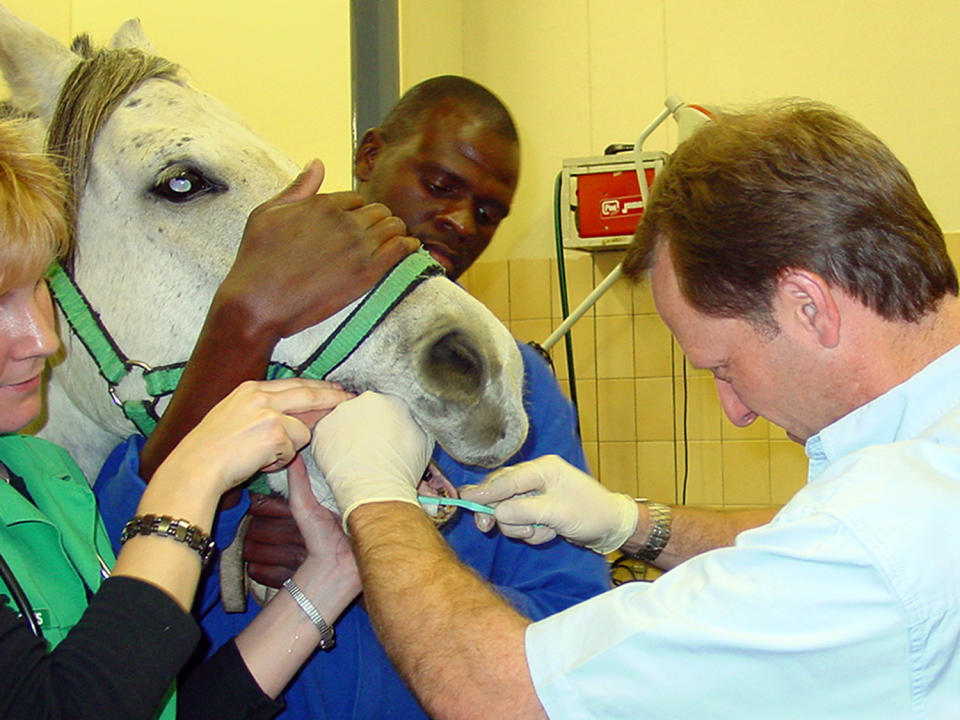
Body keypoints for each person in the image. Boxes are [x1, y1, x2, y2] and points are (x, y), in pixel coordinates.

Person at [311, 99, 960, 718]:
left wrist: (373, 491)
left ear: (808, 306)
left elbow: (501, 696)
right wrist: (632, 525)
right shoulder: (920, 476)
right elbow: (821, 545)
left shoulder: (881, 532)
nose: (734, 411)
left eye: (724, 368)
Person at [93, 75, 611, 719]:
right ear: (370, 157)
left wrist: (385, 566)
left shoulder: (517, 389)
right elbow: (104, 580)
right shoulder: (218, 360)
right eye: (440, 185)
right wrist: (228, 527)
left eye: (488, 212)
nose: (459, 222)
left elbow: (576, 625)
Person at [0, 118, 362, 720]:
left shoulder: (43, 474)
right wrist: (190, 476)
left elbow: (136, 701)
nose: (42, 338)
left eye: (39, 285)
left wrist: (331, 575)